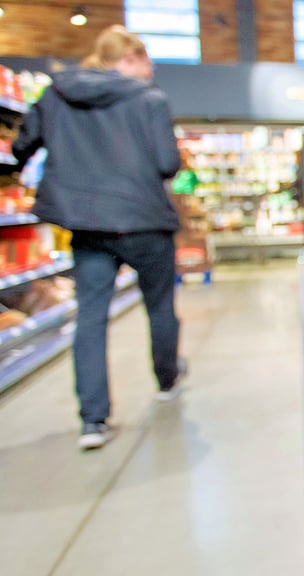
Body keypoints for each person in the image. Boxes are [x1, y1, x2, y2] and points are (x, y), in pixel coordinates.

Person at [13, 25, 186, 450]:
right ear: (129, 58)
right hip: (144, 219)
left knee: (90, 317)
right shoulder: (149, 99)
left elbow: (22, 146)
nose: (151, 70)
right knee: (160, 306)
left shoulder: (56, 94)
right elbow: (168, 163)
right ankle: (166, 379)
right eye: (148, 61)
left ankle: (93, 421)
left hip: (87, 225)